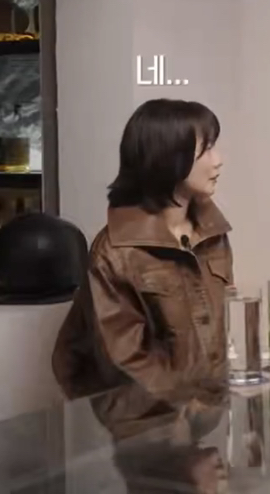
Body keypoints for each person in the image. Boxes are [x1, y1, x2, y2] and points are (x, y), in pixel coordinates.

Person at [51, 98, 232, 441]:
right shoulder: (114, 251)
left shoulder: (212, 234)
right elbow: (126, 361)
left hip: (207, 424)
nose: (218, 159)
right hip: (150, 433)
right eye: (206, 149)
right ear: (168, 157)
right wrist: (187, 415)